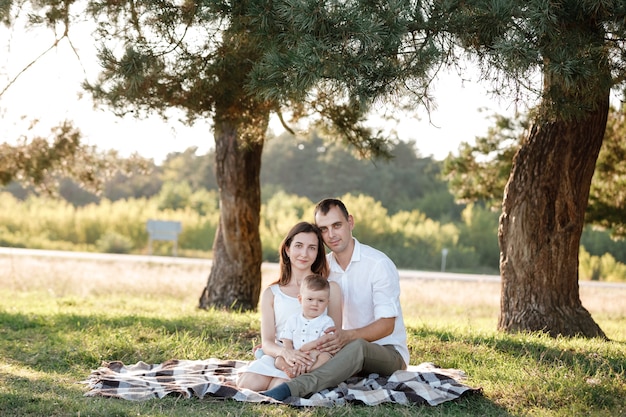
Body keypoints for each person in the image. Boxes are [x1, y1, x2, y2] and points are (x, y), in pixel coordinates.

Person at [262, 198, 409, 400]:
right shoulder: (324, 269)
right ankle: (280, 368)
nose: (331, 235)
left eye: (337, 225)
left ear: (350, 222)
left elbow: (387, 325)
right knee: (331, 352)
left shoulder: (378, 264)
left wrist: (348, 336)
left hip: (386, 352)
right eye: (323, 229)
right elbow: (308, 310)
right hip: (338, 350)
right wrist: (278, 347)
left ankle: (292, 389)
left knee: (357, 347)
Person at [236, 222, 342, 391]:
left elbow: (334, 338)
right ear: (287, 249)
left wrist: (310, 356)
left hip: (312, 358)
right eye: (298, 246)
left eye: (312, 248)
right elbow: (268, 342)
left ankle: (286, 380)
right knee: (248, 384)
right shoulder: (272, 293)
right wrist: (286, 353)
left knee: (280, 387)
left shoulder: (331, 289)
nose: (304, 254)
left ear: (318, 253)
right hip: (281, 354)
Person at [275, 274, 335, 373]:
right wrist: (290, 355)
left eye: (320, 300)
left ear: (327, 303)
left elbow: (327, 339)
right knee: (278, 360)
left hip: (315, 355)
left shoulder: (326, 321)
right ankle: (292, 370)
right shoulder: (293, 320)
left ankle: (309, 370)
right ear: (300, 299)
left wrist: (312, 347)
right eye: (310, 299)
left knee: (326, 357)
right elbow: (287, 340)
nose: (315, 304)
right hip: (296, 354)